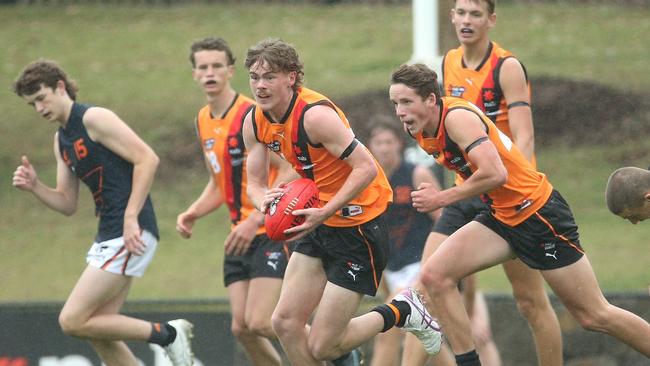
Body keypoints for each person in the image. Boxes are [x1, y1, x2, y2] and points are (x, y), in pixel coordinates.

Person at [388, 62, 650, 366]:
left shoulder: (457, 119)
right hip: (502, 215)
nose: (399, 111)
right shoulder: (421, 130)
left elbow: (495, 173)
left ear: (431, 100)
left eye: (406, 102)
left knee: (593, 315)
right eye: (395, 103)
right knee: (434, 276)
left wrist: (441, 198)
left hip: (538, 215)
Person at [241, 38, 442, 366]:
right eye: (254, 77)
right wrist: (262, 198)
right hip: (318, 220)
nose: (260, 86)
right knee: (284, 323)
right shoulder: (254, 121)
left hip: (358, 226)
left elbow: (366, 168)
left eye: (269, 77)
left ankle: (404, 309)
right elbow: (254, 182)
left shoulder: (315, 116)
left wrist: (326, 209)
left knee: (323, 347)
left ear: (291, 78)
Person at [403, 1, 563, 365]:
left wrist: (513, 190)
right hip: (465, 191)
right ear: (452, 17)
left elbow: (524, 140)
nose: (466, 21)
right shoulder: (446, 63)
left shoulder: (506, 68)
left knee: (529, 301)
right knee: (423, 287)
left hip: (508, 194)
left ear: (491, 20)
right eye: (460, 12)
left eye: (475, 14)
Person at [11, 60, 193, 366]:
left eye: (42, 98)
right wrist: (35, 187)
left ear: (59, 87)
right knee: (97, 329)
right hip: (110, 232)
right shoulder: (62, 140)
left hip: (130, 232)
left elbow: (147, 159)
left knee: (71, 320)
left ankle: (168, 335)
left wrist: (131, 216)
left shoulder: (94, 118)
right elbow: (67, 203)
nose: (40, 108)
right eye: (32, 105)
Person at [176, 37, 300, 366]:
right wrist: (193, 212)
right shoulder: (203, 118)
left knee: (260, 321)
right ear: (194, 74)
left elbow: (290, 166)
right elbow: (220, 183)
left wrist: (256, 219)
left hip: (268, 229)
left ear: (231, 70)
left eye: (217, 65)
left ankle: (333, 344)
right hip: (238, 232)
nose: (210, 73)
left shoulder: (251, 114)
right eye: (203, 67)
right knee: (242, 328)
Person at [366, 117, 443, 366]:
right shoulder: (368, 180)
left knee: (387, 327)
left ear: (399, 144)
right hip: (391, 267)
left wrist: (441, 263)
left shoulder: (416, 173)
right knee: (425, 335)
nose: (384, 147)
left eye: (389, 141)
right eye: (379, 142)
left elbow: (445, 219)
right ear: (370, 147)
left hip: (419, 264)